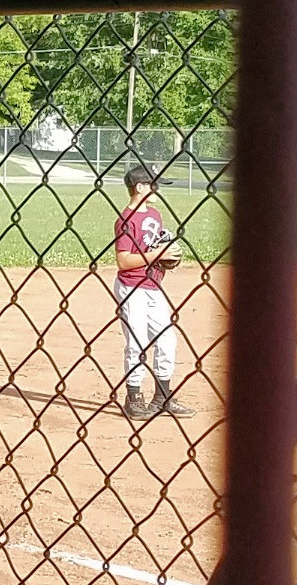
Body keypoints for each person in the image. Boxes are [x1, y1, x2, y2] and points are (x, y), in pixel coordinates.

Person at [111, 164, 194, 421]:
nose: (158, 189)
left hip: (153, 286)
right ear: (140, 188)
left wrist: (168, 256)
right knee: (136, 342)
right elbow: (124, 261)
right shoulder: (125, 220)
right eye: (154, 184)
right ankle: (134, 397)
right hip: (131, 287)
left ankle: (162, 397)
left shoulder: (155, 214)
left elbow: (157, 245)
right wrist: (158, 254)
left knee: (167, 339)